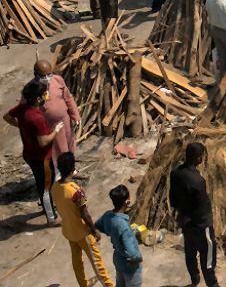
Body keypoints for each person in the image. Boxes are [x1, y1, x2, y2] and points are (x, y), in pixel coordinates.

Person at [52, 151, 114, 287]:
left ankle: (83, 284)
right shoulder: (76, 191)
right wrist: (94, 230)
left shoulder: (54, 187)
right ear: (73, 168)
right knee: (97, 264)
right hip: (82, 232)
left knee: (77, 262)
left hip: (68, 230)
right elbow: (85, 214)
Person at [4, 79, 62, 223]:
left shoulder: (23, 108)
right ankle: (51, 218)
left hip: (29, 154)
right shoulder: (37, 118)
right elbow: (43, 141)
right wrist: (56, 131)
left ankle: (48, 206)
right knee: (46, 186)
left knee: (41, 182)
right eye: (44, 94)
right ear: (38, 98)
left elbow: (7, 117)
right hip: (41, 157)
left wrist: (22, 126)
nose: (46, 96)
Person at [169, 141, 219, 287]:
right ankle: (213, 284)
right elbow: (201, 207)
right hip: (201, 226)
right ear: (199, 158)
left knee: (190, 254)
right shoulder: (198, 181)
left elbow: (173, 198)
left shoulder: (176, 173)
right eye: (202, 156)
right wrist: (204, 222)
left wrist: (182, 215)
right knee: (208, 260)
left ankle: (195, 279)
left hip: (186, 223)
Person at [95, 185, 143, 287]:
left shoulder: (108, 216)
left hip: (117, 258)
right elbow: (131, 252)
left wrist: (111, 232)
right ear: (126, 202)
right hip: (129, 265)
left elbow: (98, 225)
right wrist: (138, 258)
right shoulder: (124, 226)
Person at [34, 59, 80, 160]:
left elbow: (68, 98)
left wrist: (75, 115)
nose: (47, 78)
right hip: (50, 126)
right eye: (43, 76)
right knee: (57, 149)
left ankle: (71, 168)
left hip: (65, 121)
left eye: (49, 74)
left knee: (69, 144)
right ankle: (59, 172)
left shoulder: (57, 80)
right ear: (36, 75)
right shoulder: (33, 89)